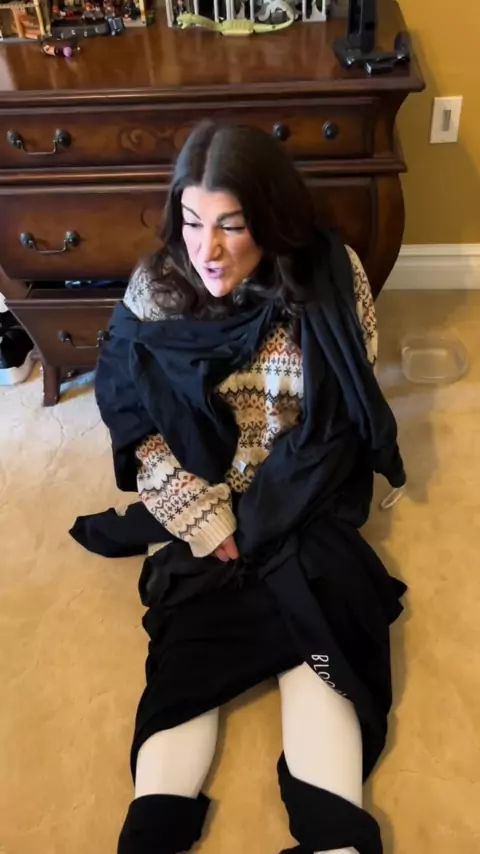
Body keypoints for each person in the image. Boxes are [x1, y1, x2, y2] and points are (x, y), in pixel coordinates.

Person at [91, 121, 407, 854]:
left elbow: (336, 423)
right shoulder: (155, 289)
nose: (206, 249)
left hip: (304, 491)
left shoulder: (333, 278)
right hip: (205, 489)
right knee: (189, 625)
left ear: (271, 217)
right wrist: (202, 516)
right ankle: (151, 833)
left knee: (325, 615)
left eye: (231, 226)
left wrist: (264, 522)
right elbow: (133, 416)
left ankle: (335, 841)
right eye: (192, 221)